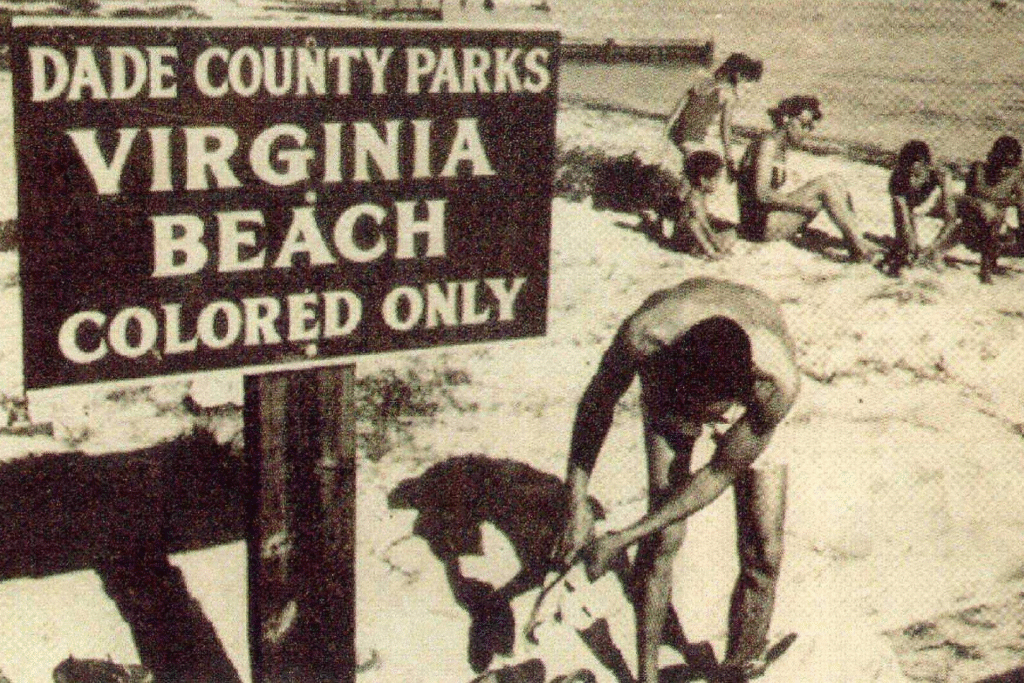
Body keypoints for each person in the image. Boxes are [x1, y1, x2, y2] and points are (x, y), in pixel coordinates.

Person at [556, 278, 800, 683]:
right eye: (697, 414)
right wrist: (576, 498)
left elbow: (717, 474)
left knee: (764, 549)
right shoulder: (647, 336)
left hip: (745, 380)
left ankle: (742, 662)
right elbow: (597, 401)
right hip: (676, 376)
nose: (703, 425)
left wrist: (620, 538)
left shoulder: (775, 384)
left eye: (710, 415)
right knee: (664, 536)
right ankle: (647, 675)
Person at [736, 95, 877, 262]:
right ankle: (860, 248)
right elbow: (762, 194)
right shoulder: (768, 144)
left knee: (835, 180)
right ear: (786, 119)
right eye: (803, 125)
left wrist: (804, 202)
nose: (806, 132)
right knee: (826, 185)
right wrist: (802, 204)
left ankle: (856, 238)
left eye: (810, 127)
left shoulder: (779, 145)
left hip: (770, 219)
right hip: (758, 227)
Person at [921, 135, 1024, 282]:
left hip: (994, 226)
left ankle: (991, 261)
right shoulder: (979, 169)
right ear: (992, 158)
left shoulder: (1016, 176)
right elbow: (968, 202)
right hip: (972, 222)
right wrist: (985, 206)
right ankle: (982, 266)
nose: (1003, 170)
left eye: (1008, 166)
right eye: (1000, 164)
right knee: (986, 214)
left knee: (999, 220)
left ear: (1015, 164)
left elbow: (1021, 206)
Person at [665, 53, 764, 193]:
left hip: (677, 133)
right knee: (705, 177)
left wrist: (666, 134)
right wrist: (729, 158)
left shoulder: (702, 82)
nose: (749, 88)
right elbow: (725, 129)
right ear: (739, 76)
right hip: (693, 138)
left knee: (691, 175)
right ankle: (681, 205)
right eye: (748, 81)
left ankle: (679, 200)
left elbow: (677, 110)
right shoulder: (728, 94)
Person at [886, 140, 956, 274]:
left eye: (916, 175)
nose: (912, 181)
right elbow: (904, 219)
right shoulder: (897, 179)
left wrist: (933, 247)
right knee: (906, 246)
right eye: (909, 174)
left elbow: (951, 218)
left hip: (934, 205)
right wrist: (911, 249)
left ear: (928, 167)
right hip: (911, 207)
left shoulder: (940, 174)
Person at [670, 151, 738, 259]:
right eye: (716, 179)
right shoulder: (694, 198)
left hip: (692, 237)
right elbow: (704, 226)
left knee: (731, 232)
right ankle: (709, 252)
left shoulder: (699, 194)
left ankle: (703, 249)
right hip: (685, 239)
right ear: (703, 180)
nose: (717, 183)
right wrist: (715, 242)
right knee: (694, 224)